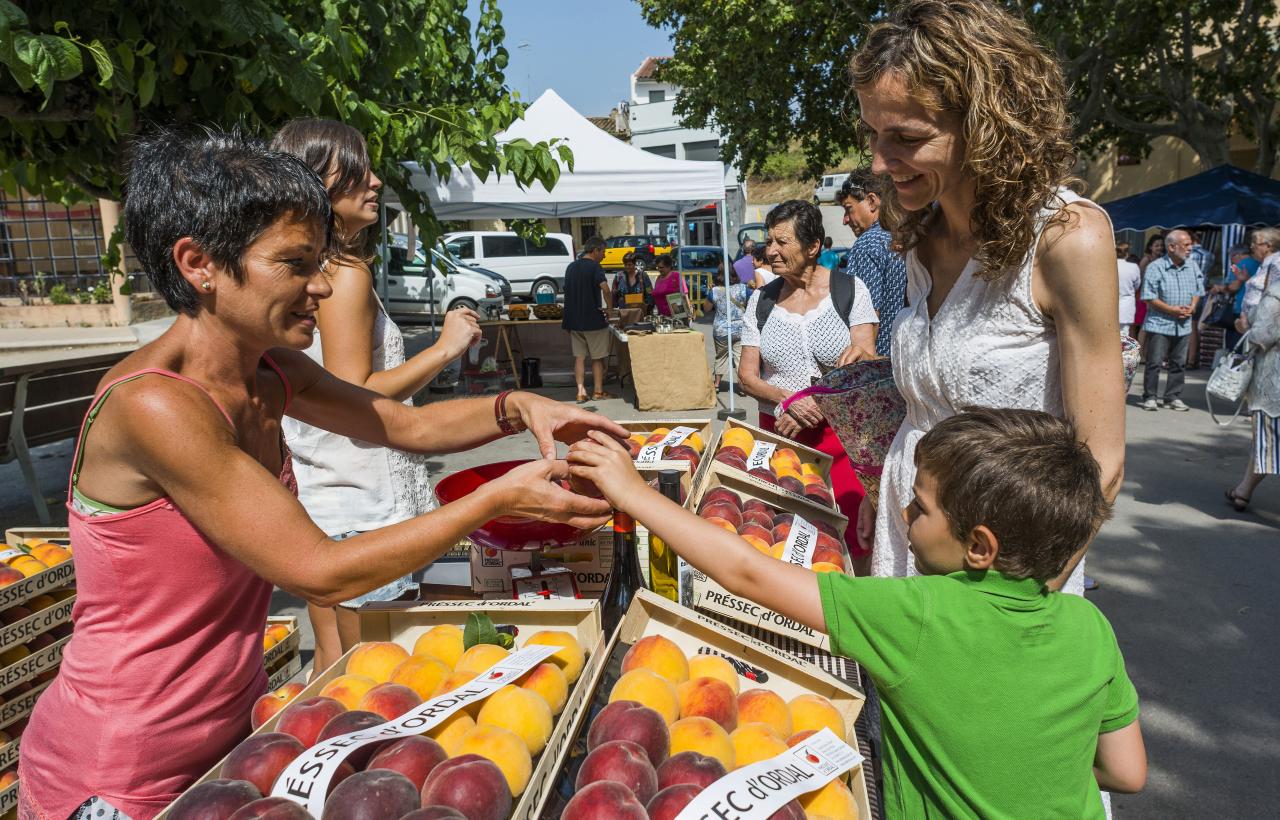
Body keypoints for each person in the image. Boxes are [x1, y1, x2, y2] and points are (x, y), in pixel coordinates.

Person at [18, 129, 623, 820]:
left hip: (232, 745)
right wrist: (494, 499)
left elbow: (408, 426)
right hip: (121, 772)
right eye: (295, 263)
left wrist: (518, 405)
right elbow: (318, 570)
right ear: (198, 264)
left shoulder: (270, 371)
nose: (324, 284)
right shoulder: (154, 406)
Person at [568, 408, 1146, 817]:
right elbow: (1127, 773)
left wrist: (633, 493)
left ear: (980, 546)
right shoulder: (1091, 627)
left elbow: (748, 572)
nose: (901, 510)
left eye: (919, 507)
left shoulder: (916, 614)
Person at [851, 0, 1126, 600]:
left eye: (906, 137)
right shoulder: (919, 241)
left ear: (985, 126)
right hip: (910, 536)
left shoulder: (1066, 239)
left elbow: (1099, 465)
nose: (878, 161)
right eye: (873, 134)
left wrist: (1015, 612)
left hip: (1008, 567)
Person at [269, 119, 482, 675]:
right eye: (356, 169)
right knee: (376, 681)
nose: (375, 181)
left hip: (323, 502)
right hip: (367, 506)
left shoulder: (298, 275)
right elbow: (356, 398)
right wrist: (444, 348)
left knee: (334, 677)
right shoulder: (343, 275)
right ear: (315, 181)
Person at [739, 200, 878, 566]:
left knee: (851, 538)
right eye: (770, 242)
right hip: (782, 437)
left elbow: (864, 360)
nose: (771, 251)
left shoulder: (850, 291)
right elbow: (747, 376)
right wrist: (788, 399)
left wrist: (819, 400)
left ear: (813, 246)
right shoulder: (761, 301)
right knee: (787, 538)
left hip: (843, 439)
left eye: (782, 242)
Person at [838, 169, 908, 357]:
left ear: (871, 201)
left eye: (848, 208)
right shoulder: (905, 237)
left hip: (881, 361)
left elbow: (868, 316)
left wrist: (866, 365)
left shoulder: (867, 244)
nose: (845, 220)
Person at [1226, 271, 1280, 510]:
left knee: (1268, 441)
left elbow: (1262, 335)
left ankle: (1243, 492)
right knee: (1265, 444)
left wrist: (1243, 325)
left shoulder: (1276, 292)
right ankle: (1243, 491)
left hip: (1273, 384)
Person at [1139, 229, 1203, 412]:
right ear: (1172, 247)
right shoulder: (1155, 267)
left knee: (1178, 363)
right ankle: (1150, 396)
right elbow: (1148, 296)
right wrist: (1171, 310)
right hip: (1160, 323)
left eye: (1190, 244)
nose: (1191, 248)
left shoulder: (1192, 266)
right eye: (1187, 244)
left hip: (1182, 325)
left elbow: (1198, 291)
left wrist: (1192, 306)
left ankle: (1172, 397)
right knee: (1154, 362)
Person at [563, 235, 615, 403]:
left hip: (574, 320)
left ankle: (580, 392)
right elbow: (606, 289)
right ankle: (598, 392)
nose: (604, 255)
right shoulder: (595, 267)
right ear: (595, 251)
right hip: (593, 321)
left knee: (579, 357)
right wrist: (610, 308)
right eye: (603, 252)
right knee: (597, 358)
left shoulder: (571, 267)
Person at [702, 261, 749, 390]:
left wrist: (709, 293)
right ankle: (742, 386)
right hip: (740, 329)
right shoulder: (743, 288)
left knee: (721, 356)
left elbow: (706, 309)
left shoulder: (715, 291)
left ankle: (716, 384)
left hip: (721, 330)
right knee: (740, 357)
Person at [1117, 242, 1142, 338]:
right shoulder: (1133, 267)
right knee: (1123, 336)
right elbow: (1137, 285)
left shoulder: (1106, 265)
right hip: (1126, 306)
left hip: (1108, 306)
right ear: (1127, 253)